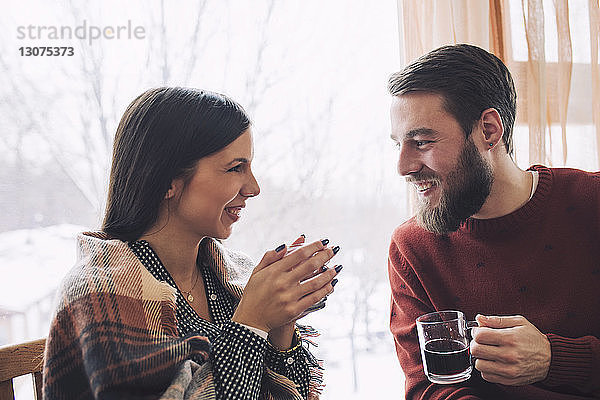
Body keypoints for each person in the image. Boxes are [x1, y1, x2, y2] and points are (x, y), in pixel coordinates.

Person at [42, 87, 342, 400]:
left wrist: (282, 324)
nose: (254, 187)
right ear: (167, 180)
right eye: (235, 168)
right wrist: (251, 323)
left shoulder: (236, 275)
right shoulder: (97, 293)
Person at [387, 44, 600, 399]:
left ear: (489, 130)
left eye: (421, 141)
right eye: (398, 144)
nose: (404, 166)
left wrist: (555, 359)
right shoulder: (411, 247)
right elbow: (427, 388)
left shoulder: (592, 202)